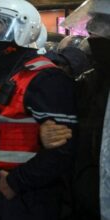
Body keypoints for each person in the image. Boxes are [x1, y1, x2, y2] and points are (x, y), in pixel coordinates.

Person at [0, 0, 77, 219]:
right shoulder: (4, 73)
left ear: (25, 30)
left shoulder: (46, 77)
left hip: (25, 195)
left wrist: (16, 183)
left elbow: (62, 150)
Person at [43, 0, 110, 219]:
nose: (93, 31)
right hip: (83, 192)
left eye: (102, 23)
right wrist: (48, 130)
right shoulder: (88, 80)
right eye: (93, 22)